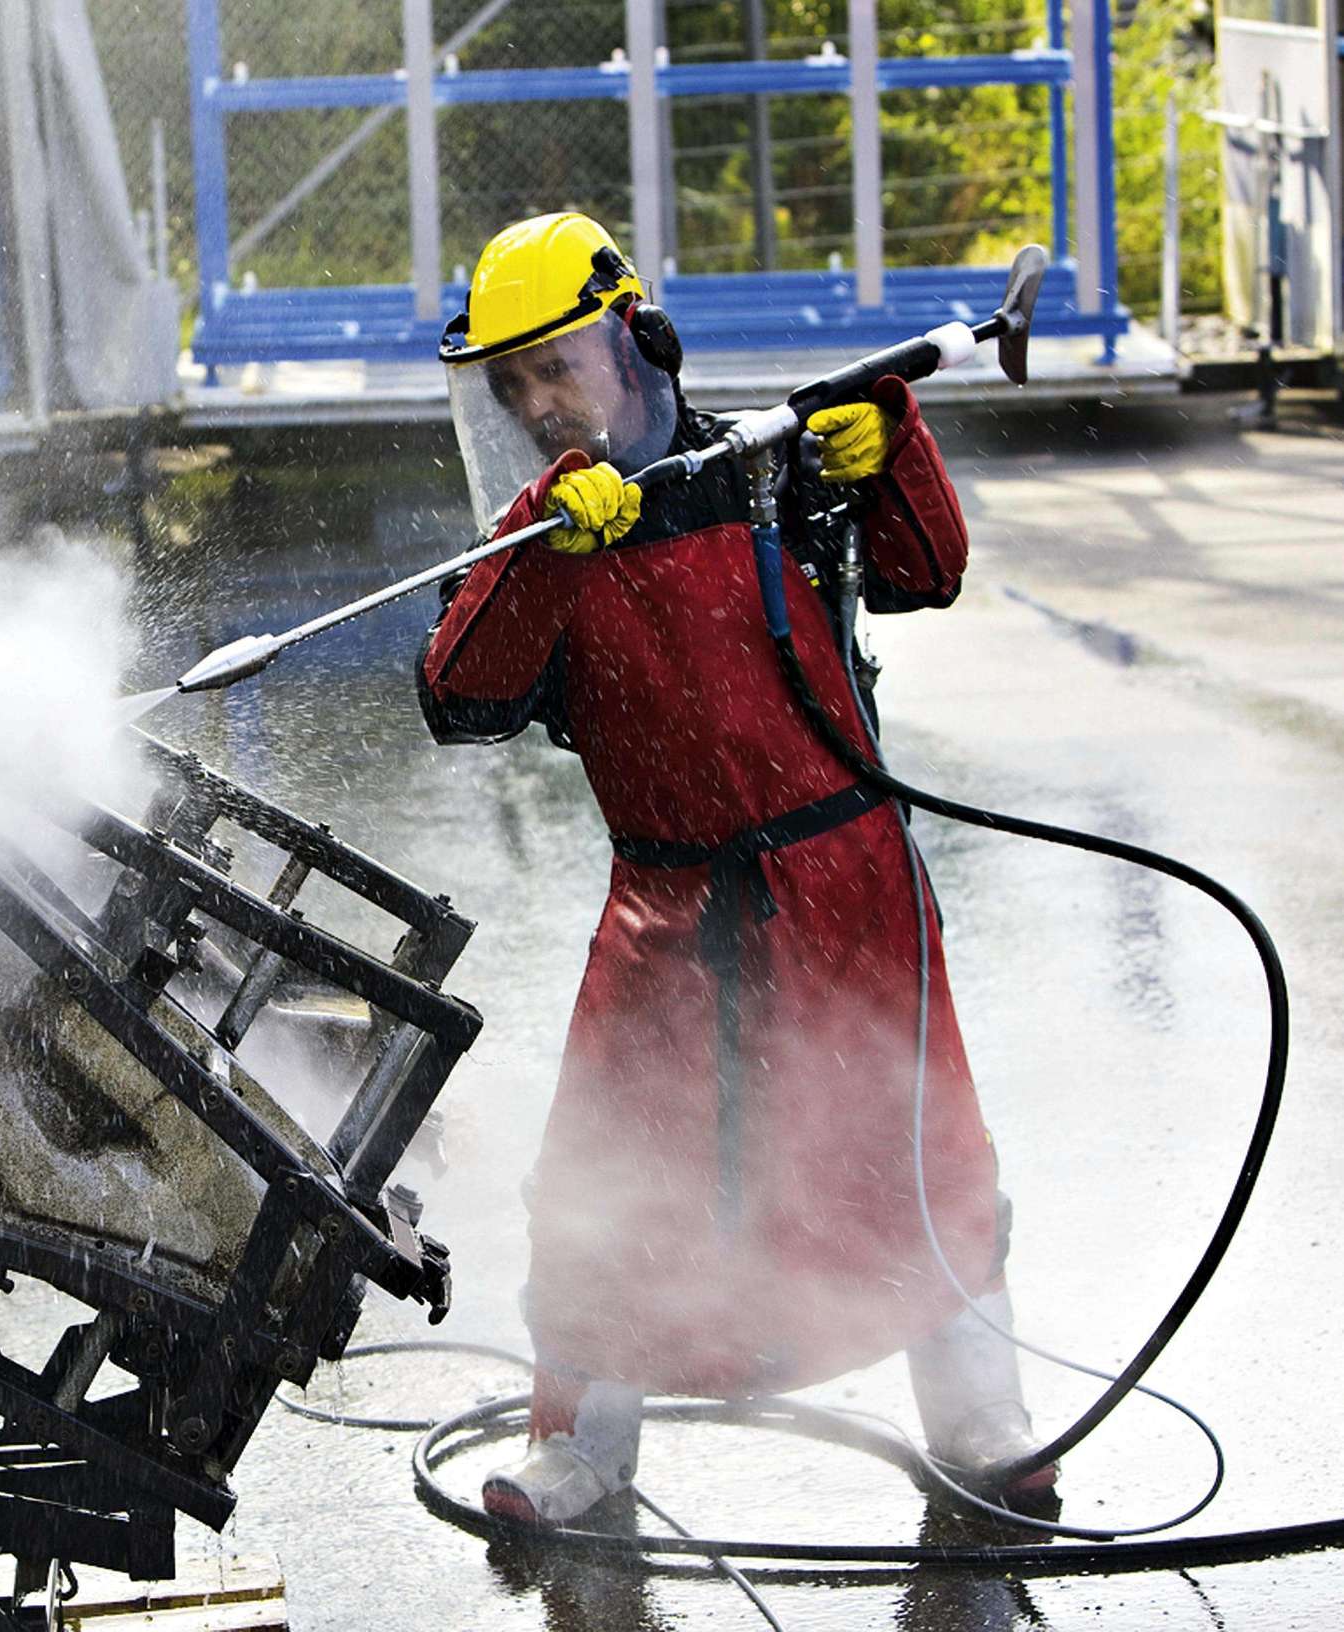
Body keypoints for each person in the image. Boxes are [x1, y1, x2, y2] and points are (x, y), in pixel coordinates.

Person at [416, 212, 1056, 1529]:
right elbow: (460, 699)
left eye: (561, 365)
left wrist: (891, 457)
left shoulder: (771, 469)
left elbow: (921, 572)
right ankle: (578, 1455)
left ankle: (986, 1427)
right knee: (612, 1168)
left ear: (637, 338)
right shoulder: (534, 540)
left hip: (846, 877)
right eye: (514, 383)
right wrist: (543, 542)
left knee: (905, 1147)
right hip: (666, 899)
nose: (540, 402)